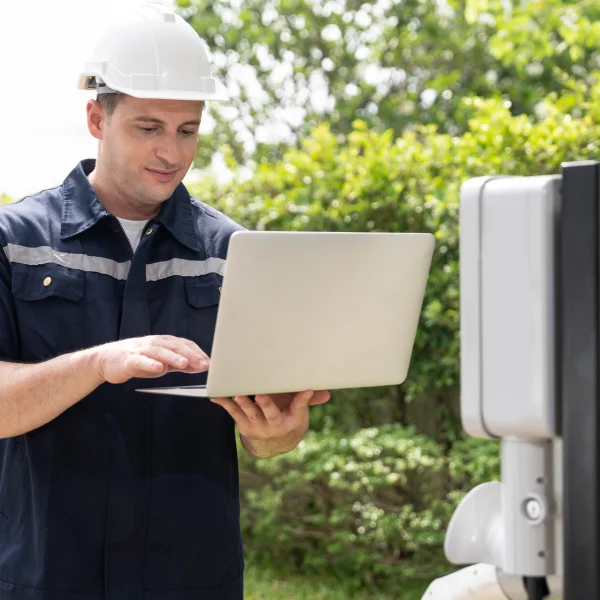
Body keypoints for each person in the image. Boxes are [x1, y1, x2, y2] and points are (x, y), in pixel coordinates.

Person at [0, 5, 329, 599]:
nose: (171, 154)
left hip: (194, 580)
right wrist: (96, 364)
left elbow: (266, 437)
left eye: (188, 130)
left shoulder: (233, 252)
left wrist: (275, 431)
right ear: (97, 119)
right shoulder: (16, 242)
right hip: (49, 578)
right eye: (148, 127)